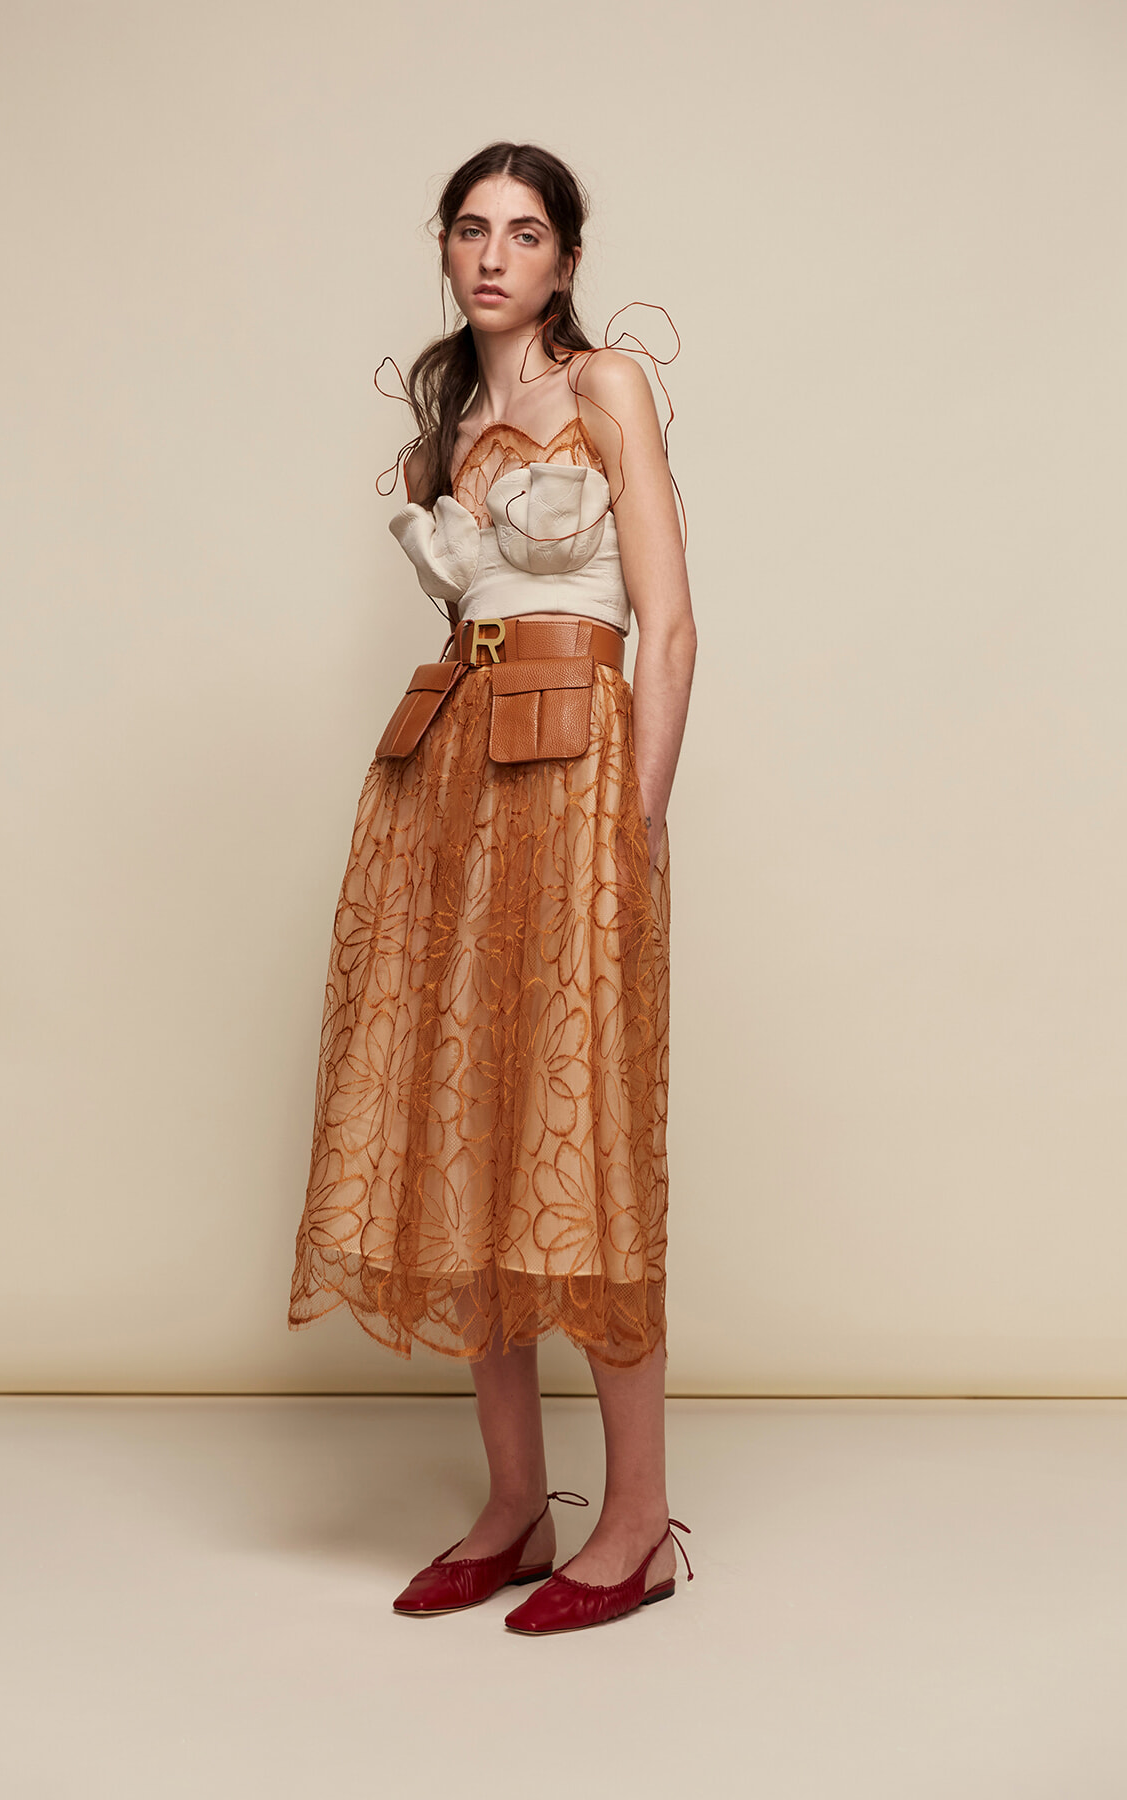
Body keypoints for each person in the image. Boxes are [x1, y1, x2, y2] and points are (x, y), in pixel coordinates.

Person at [288, 140, 698, 1634]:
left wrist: (633, 831)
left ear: (566, 260)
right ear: (446, 248)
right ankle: (517, 1502)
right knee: (467, 1123)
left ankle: (639, 1524)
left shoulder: (608, 389)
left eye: (526, 233)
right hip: (450, 775)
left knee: (580, 1140)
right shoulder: (451, 414)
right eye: (472, 228)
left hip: (579, 780)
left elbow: (671, 622)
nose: (493, 254)